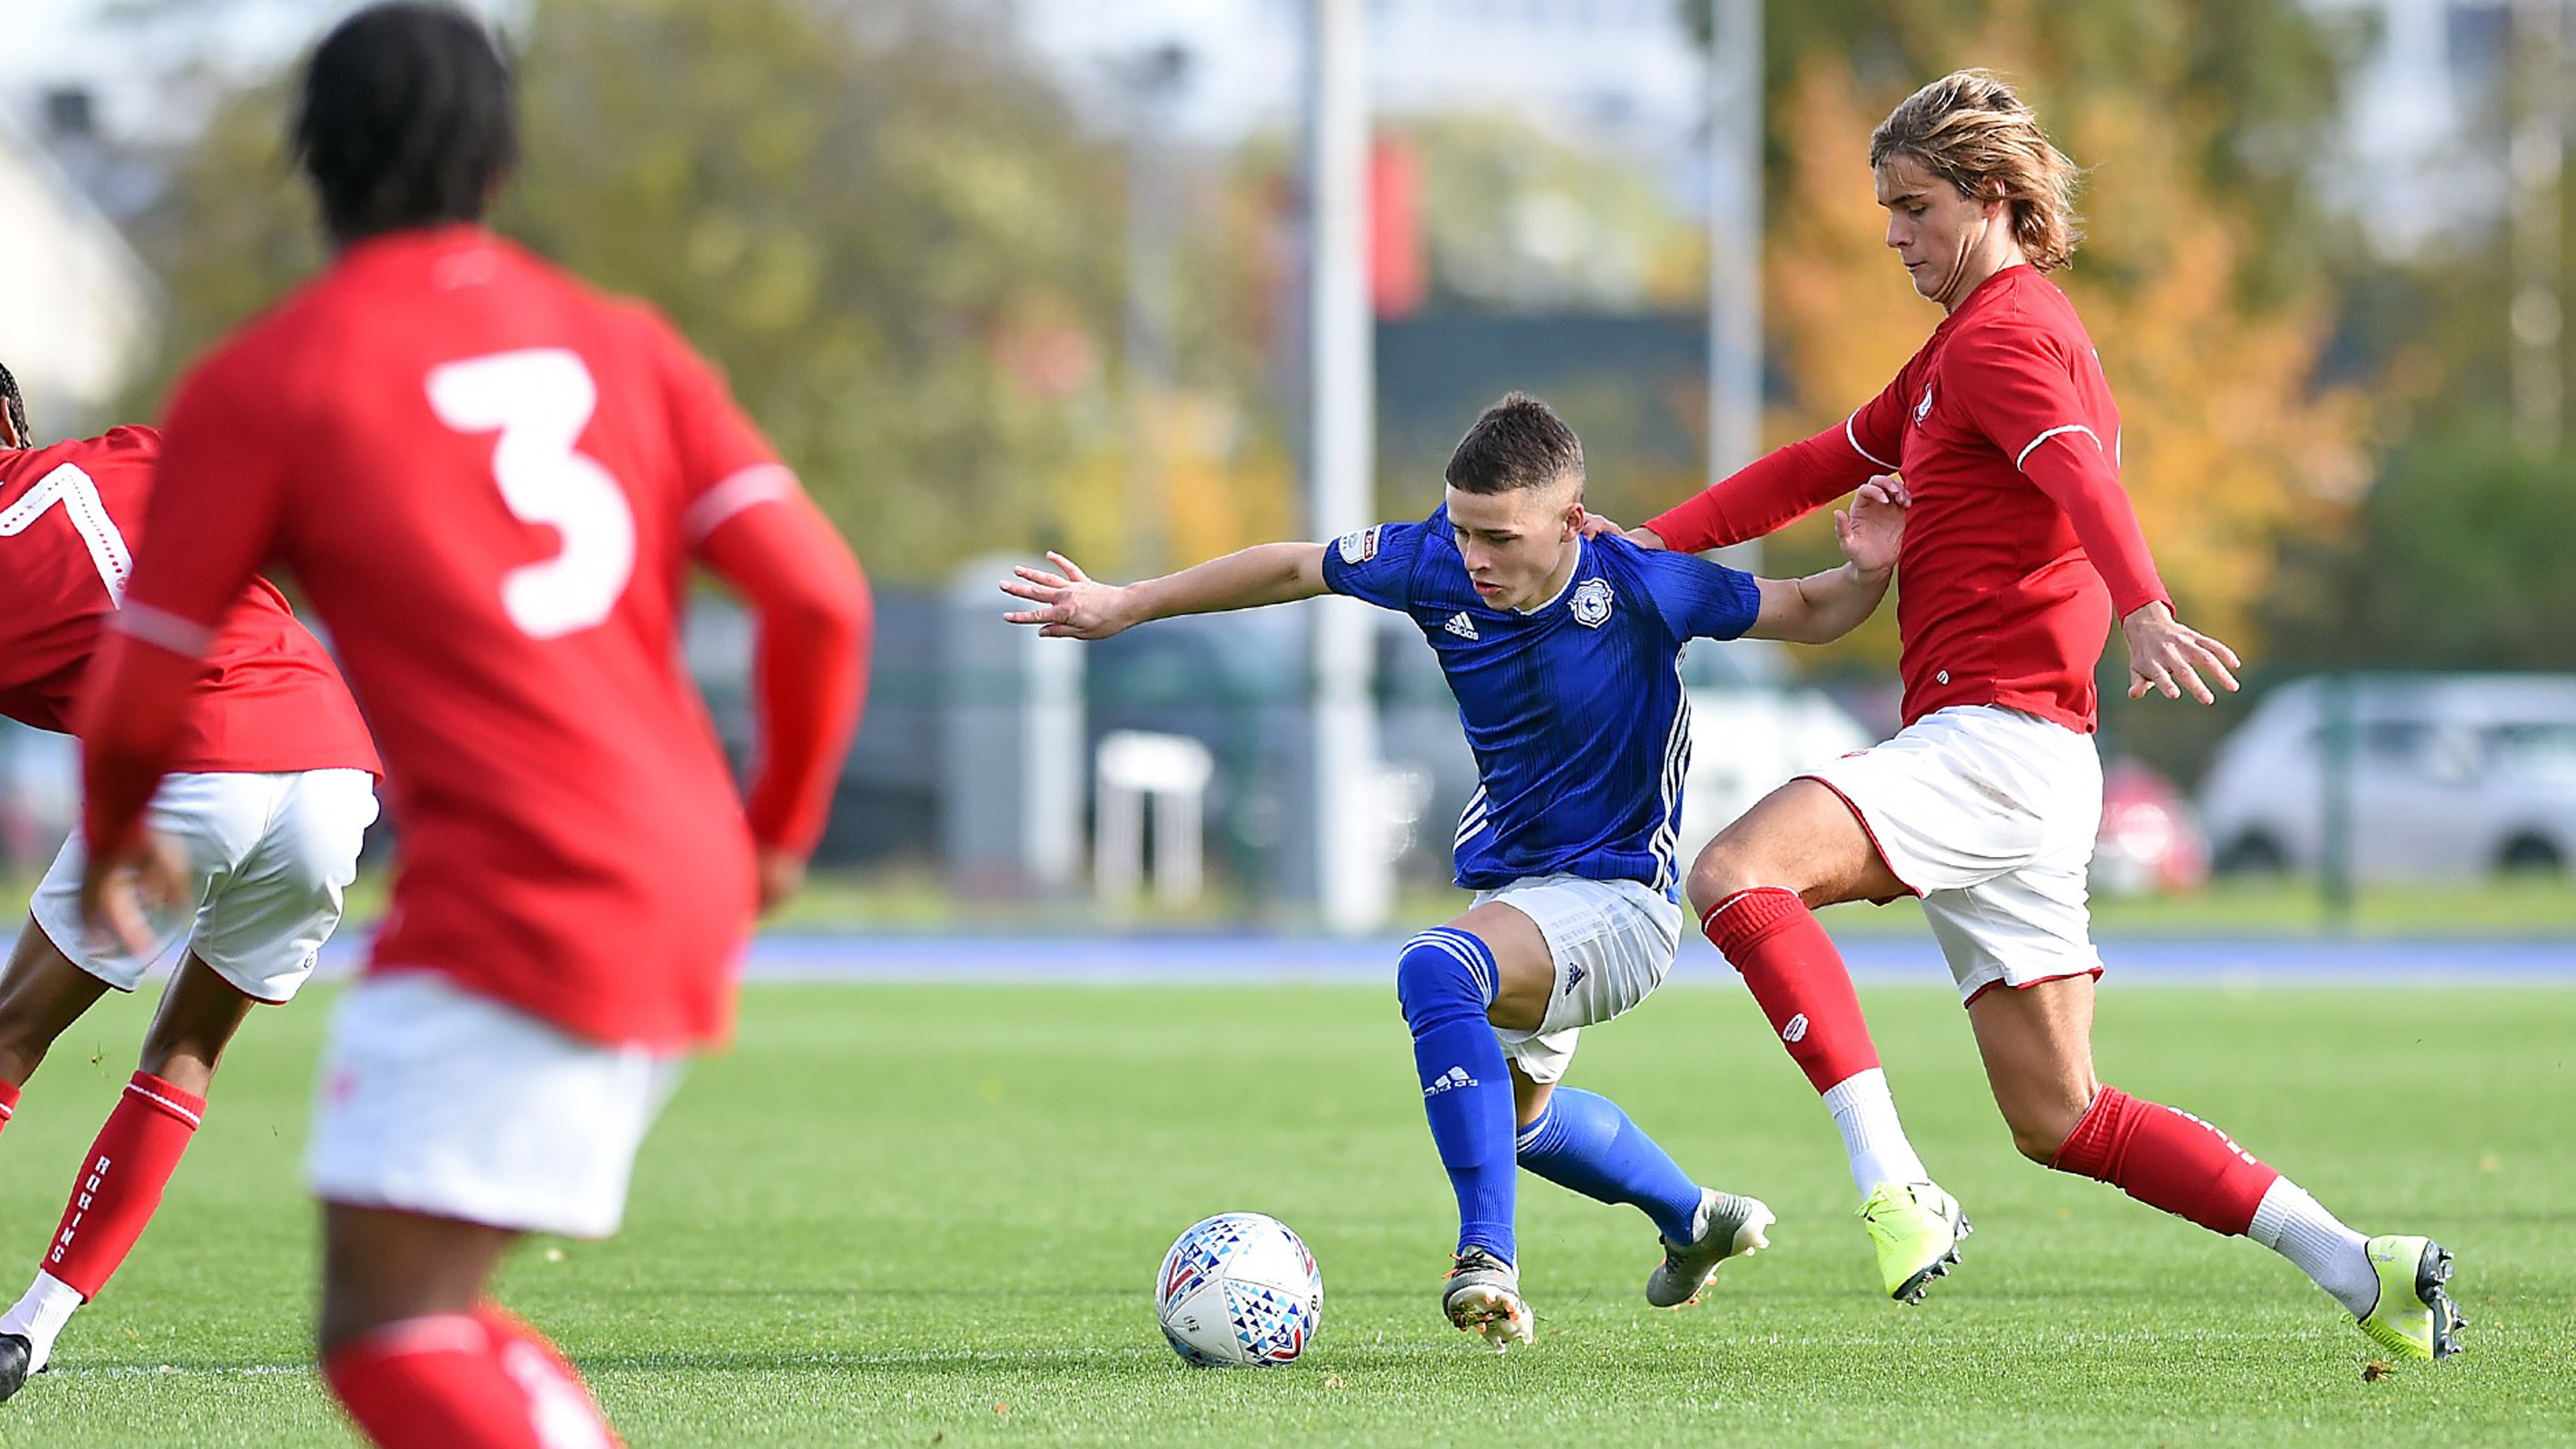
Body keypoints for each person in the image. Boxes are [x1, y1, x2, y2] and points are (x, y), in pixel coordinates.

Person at [72, 5, 874, 1445]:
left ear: (308, 163)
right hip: (675, 862)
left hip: (528, 881)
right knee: (429, 1311)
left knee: (387, 1331)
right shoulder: (620, 346)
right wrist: (779, 836)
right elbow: (820, 600)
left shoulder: (269, 382)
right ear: (499, 162)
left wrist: (127, 831)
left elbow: (141, 679)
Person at [1589, 70, 2461, 1361]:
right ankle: (2362, 1267)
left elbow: (2080, 474)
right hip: (2032, 761)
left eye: (1914, 206)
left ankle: (1894, 1182)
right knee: (2064, 1119)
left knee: (1736, 875)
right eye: (1887, 208)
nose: (1894, 235)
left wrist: (2147, 603)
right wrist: (1641, 549)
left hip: (1993, 743)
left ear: (1992, 201)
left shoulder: (2005, 337)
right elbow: (1810, 467)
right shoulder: (1956, 352)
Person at [1004, 391, 1906, 1352]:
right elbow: (1289, 567)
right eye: (1463, 529)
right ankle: (1696, 1218)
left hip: (1621, 904)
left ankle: (1487, 1260)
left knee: (1436, 969)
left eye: (1499, 538)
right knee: (1514, 1121)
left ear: (1570, 521)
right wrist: (1127, 602)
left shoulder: (1643, 583)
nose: (1474, 557)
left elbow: (1809, 612)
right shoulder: (1434, 560)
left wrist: (1869, 570)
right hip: (1520, 898)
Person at [0, 365, 381, 1397]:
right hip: (330, 761)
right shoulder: (134, 449)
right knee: (186, 1050)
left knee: (9, 1037)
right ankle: (33, 1326)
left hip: (187, 765)